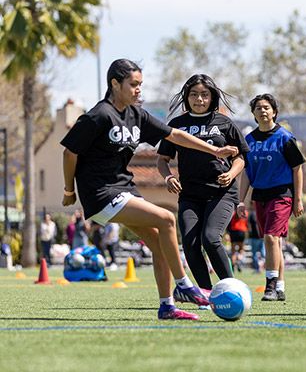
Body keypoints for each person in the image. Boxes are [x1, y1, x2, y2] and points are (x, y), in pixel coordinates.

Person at [61, 59, 239, 320]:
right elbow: (69, 152)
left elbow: (175, 135)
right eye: (133, 84)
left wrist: (213, 149)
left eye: (140, 85)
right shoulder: (99, 115)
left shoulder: (136, 115)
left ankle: (167, 307)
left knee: (159, 244)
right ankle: (184, 286)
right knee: (167, 218)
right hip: (100, 192)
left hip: (124, 187)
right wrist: (69, 190)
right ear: (115, 83)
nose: (138, 90)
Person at [157, 74, 249, 295]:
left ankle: (232, 289)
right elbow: (162, 160)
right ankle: (205, 292)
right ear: (187, 97)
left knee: (210, 238)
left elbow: (241, 157)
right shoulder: (177, 125)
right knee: (189, 243)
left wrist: (232, 173)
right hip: (190, 194)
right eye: (194, 94)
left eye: (205, 95)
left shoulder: (224, 123)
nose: (199, 99)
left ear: (212, 97)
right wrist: (168, 177)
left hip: (221, 193)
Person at [237, 93, 306, 302]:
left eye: (267, 107)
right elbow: (247, 172)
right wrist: (242, 200)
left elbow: (297, 169)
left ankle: (270, 285)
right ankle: (281, 287)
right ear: (254, 114)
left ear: (274, 112)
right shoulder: (248, 140)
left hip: (282, 193)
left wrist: (298, 199)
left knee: (270, 238)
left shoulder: (284, 137)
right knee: (273, 242)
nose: (263, 111)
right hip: (261, 195)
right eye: (258, 108)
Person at [246, 205, 265, 273]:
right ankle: (264, 267)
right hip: (262, 236)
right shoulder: (262, 212)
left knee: (254, 253)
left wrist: (249, 234)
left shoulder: (252, 214)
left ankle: (258, 268)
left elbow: (249, 226)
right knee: (263, 253)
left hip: (254, 237)